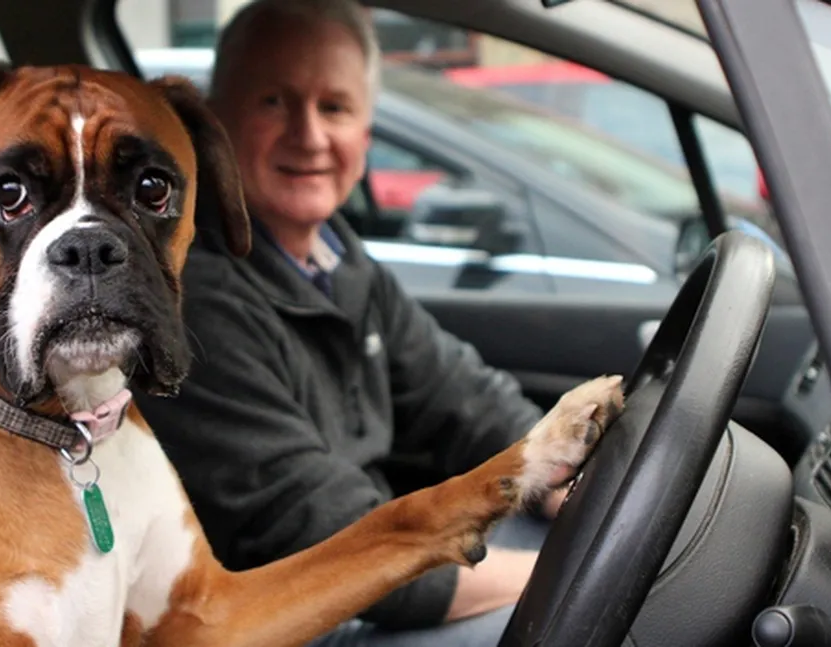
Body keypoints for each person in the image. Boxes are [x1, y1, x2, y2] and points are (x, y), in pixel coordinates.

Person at [133, 1, 568, 643]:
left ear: (364, 135)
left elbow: (463, 397)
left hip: (377, 568)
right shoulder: (192, 299)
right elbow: (325, 534)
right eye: (274, 102)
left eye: (334, 107)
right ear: (215, 125)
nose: (308, 136)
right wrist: (561, 575)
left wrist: (565, 478)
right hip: (296, 615)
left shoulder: (335, 257)